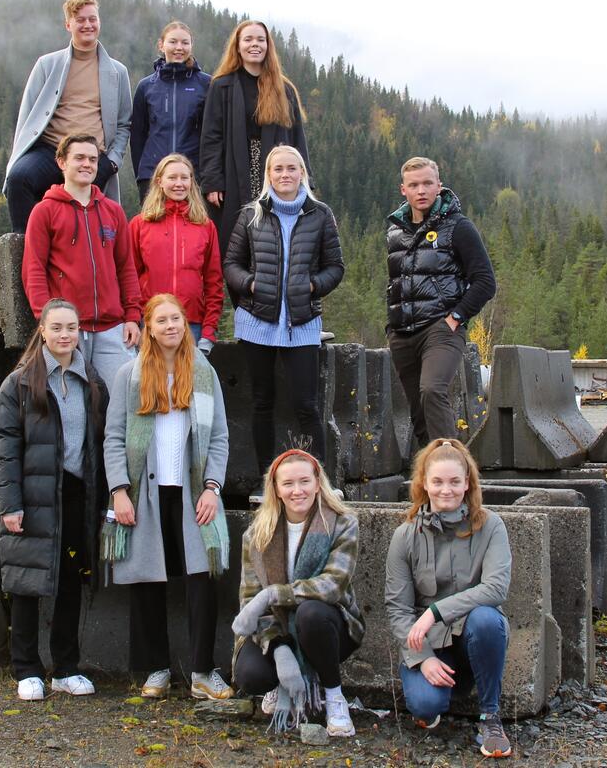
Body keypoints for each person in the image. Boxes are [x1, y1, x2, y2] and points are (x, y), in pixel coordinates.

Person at [101, 293, 233, 701]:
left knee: (202, 580)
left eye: (176, 318)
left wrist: (212, 487)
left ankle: (202, 671)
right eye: (161, 320)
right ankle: (156, 669)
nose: (171, 326)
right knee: (147, 580)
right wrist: (119, 491)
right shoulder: (129, 375)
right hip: (145, 492)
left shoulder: (204, 372)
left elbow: (220, 438)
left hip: (194, 493)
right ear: (149, 329)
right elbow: (114, 437)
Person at [0, 298, 108, 701]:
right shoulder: (19, 384)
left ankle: (66, 668)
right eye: (56, 327)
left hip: (77, 495)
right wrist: (10, 504)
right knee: (27, 582)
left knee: (71, 581)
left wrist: (104, 501)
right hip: (35, 495)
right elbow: (6, 449)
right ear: (42, 331)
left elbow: (100, 445)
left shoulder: (91, 382)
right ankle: (26, 669)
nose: (65, 335)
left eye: (71, 328)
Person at [384, 439, 512, 759]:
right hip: (429, 644)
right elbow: (398, 609)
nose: (446, 490)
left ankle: (490, 716)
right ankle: (437, 692)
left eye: (455, 481)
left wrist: (435, 611)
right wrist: (423, 658)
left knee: (487, 619)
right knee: (425, 706)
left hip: (473, 637)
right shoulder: (405, 536)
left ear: (467, 483)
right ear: (424, 484)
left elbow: (496, 588)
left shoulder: (491, 526)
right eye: (438, 481)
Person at [224, 145, 343, 475]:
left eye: (292, 168)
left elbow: (335, 267)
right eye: (278, 169)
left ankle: (317, 479)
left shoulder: (320, 214)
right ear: (269, 174)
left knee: (306, 405)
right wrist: (250, 284)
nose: (285, 174)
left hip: (302, 323)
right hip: (256, 321)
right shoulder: (251, 214)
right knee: (262, 402)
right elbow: (231, 264)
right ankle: (266, 480)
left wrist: (312, 286)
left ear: (302, 172)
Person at [231, 449, 363, 737]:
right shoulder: (256, 535)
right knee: (250, 675)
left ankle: (334, 696)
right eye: (288, 484)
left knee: (310, 613)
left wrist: (273, 595)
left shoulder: (342, 523)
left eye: (304, 481)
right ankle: (281, 679)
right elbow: (250, 599)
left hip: (329, 626)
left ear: (317, 483)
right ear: (276, 490)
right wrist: (279, 648)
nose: (297, 491)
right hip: (277, 626)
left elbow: (332, 585)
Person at [386, 157, 497, 449]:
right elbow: (397, 281)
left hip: (441, 327)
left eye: (427, 183)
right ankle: (429, 473)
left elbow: (485, 281)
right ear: (403, 190)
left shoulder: (458, 227)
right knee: (418, 411)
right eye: (414, 185)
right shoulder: (395, 232)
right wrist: (392, 325)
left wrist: (455, 317)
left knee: (432, 391)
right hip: (402, 333)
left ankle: (452, 466)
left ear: (439, 186)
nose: (421, 190)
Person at [4, 0, 132, 233]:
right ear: (68, 25)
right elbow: (28, 115)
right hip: (50, 151)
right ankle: (27, 249)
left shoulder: (118, 72)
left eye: (92, 19)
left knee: (85, 221)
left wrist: (112, 162)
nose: (87, 25)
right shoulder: (47, 64)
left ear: (99, 22)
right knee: (19, 179)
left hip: (93, 156)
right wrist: (20, 155)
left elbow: (124, 123)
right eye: (80, 20)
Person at [22, 134, 142, 383]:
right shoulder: (44, 211)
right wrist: (48, 320)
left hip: (112, 327)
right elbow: (33, 270)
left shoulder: (113, 211)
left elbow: (126, 268)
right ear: (62, 162)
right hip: (67, 328)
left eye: (92, 159)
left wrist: (132, 316)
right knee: (70, 399)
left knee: (128, 393)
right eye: (79, 158)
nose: (87, 164)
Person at [199, 20, 311, 255]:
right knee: (234, 239)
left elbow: (297, 138)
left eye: (261, 40)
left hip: (274, 171)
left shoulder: (284, 89)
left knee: (274, 237)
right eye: (248, 39)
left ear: (268, 46)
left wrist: (304, 180)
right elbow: (211, 137)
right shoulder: (222, 86)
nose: (255, 44)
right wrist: (212, 181)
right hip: (234, 169)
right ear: (237, 46)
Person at [128, 154, 223, 355]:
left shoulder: (205, 226)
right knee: (150, 376)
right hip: (150, 323)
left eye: (184, 178)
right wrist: (133, 319)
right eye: (172, 177)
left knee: (190, 376)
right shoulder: (140, 224)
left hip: (191, 324)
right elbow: (130, 278)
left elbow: (214, 282)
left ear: (191, 182)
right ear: (159, 181)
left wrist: (209, 331)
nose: (179, 184)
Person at [129, 21, 211, 204]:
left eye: (185, 42)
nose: (179, 47)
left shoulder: (206, 84)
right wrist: (142, 174)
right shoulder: (146, 86)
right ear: (161, 45)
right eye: (173, 42)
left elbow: (212, 135)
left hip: (192, 177)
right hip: (152, 176)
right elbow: (137, 137)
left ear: (191, 45)